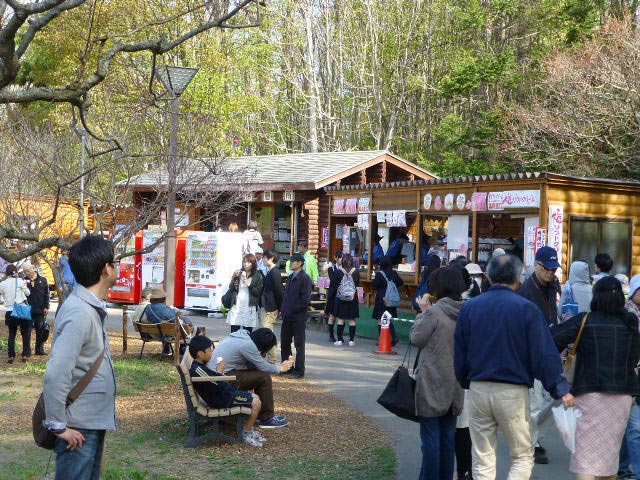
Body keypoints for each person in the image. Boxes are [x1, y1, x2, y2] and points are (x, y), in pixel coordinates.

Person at [454, 254, 573, 479]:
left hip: (477, 388)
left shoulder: (470, 308)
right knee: (522, 456)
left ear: (488, 277)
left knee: (482, 458)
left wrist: (465, 380)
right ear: (519, 277)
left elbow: (459, 351)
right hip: (512, 392)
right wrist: (559, 387)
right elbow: (543, 354)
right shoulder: (526, 309)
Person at [43, 236, 118, 480]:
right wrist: (58, 425)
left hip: (89, 422)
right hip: (78, 426)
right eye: (114, 262)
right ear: (106, 269)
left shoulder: (89, 307)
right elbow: (57, 370)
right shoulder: (79, 312)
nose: (117, 267)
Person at [552, 276, 640, 480]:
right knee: (609, 460)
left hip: (590, 395)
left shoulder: (586, 320)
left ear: (596, 297)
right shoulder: (630, 323)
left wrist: (558, 375)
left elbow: (552, 339)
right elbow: (634, 358)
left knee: (587, 460)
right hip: (622, 398)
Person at [411, 266, 467, 480]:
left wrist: (423, 312)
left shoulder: (434, 312)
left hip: (432, 382)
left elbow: (416, 338)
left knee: (431, 441)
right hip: (455, 383)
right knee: (448, 439)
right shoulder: (466, 312)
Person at [517, 245, 562, 464]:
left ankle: (533, 438)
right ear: (536, 265)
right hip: (532, 353)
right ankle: (531, 444)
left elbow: (554, 315)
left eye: (553, 269)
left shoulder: (553, 286)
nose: (550, 272)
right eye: (546, 268)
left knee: (556, 399)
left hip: (551, 349)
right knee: (535, 402)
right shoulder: (526, 290)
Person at [188, 335, 265, 447]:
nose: (212, 353)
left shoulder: (200, 367)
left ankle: (249, 430)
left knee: (256, 397)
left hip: (225, 395)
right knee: (256, 404)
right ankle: (246, 434)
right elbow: (216, 383)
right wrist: (220, 373)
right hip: (222, 399)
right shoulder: (198, 370)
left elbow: (214, 382)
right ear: (200, 354)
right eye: (209, 350)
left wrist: (220, 373)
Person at [209, 327, 293, 429]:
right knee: (264, 378)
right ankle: (266, 418)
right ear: (262, 347)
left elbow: (256, 364)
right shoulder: (248, 345)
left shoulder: (244, 336)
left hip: (216, 377)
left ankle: (261, 414)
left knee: (258, 373)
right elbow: (263, 367)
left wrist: (264, 361)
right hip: (220, 380)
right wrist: (281, 368)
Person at [619, 274, 640, 479]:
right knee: (635, 427)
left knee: (631, 427)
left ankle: (621, 466)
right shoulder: (626, 314)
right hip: (630, 376)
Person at [280, 252, 312, 378]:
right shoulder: (291, 277)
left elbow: (305, 301)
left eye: (293, 261)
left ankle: (299, 370)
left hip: (298, 317)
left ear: (299, 263)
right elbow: (286, 296)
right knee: (285, 343)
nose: (290, 263)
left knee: (299, 344)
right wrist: (283, 309)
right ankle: (286, 367)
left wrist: (291, 309)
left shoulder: (305, 279)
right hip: (287, 316)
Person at [226, 253, 264, 334]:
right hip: (237, 305)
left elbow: (258, 293)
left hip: (249, 307)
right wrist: (235, 277)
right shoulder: (238, 272)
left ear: (253, 264)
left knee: (247, 332)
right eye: (244, 262)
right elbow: (231, 287)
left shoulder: (258, 275)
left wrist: (248, 284)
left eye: (249, 262)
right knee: (234, 332)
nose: (246, 264)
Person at [0, 264, 31, 363]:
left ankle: (11, 355)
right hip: (21, 309)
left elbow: (4, 296)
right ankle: (25, 354)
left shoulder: (2, 284)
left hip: (10, 311)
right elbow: (28, 293)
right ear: (15, 272)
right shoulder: (20, 281)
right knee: (25, 333)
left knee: (12, 334)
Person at [371, 255, 403, 346]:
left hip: (382, 298)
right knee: (388, 318)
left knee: (380, 319)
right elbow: (401, 282)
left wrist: (373, 278)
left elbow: (374, 286)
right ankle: (393, 336)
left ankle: (382, 340)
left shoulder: (379, 274)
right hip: (391, 299)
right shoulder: (394, 273)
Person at [261, 249, 284, 362]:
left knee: (267, 334)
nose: (263, 259)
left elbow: (280, 292)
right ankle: (267, 356)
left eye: (265, 257)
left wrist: (281, 308)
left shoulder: (275, 273)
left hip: (271, 307)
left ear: (271, 259)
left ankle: (271, 360)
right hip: (266, 306)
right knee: (265, 332)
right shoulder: (270, 271)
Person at [332, 253, 360, 347]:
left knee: (341, 319)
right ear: (351, 261)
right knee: (352, 319)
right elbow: (357, 283)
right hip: (352, 298)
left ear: (343, 261)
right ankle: (351, 341)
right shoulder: (356, 271)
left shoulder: (338, 271)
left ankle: (339, 340)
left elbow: (335, 283)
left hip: (341, 298)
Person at [23, 263, 50, 356]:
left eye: (28, 270)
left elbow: (47, 294)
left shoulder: (43, 280)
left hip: (40, 309)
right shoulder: (24, 280)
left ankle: (39, 349)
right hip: (27, 310)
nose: (26, 273)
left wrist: (47, 306)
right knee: (27, 332)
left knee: (40, 330)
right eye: (25, 271)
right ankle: (26, 351)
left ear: (33, 269)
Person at [325, 251, 343, 342]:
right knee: (332, 315)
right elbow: (334, 280)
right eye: (340, 257)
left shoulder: (345, 269)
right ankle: (331, 335)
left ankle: (340, 336)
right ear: (335, 258)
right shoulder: (330, 268)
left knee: (341, 316)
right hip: (333, 294)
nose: (342, 259)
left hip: (343, 295)